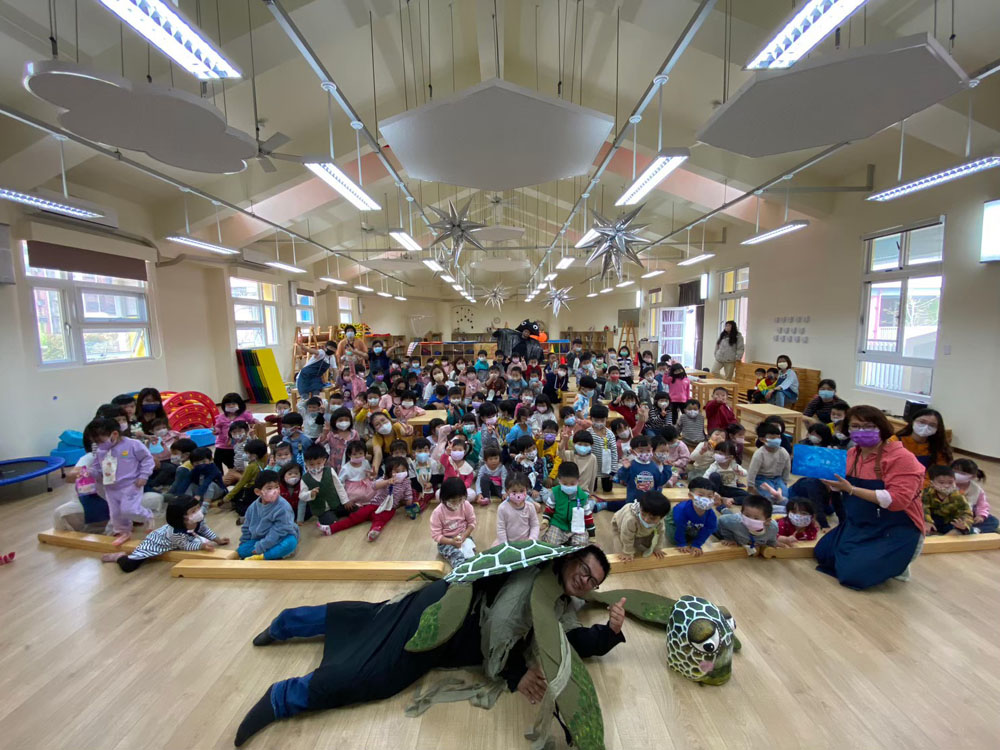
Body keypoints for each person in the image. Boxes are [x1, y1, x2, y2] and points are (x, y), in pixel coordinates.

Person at [235, 545, 624, 747]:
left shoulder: (555, 591)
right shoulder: (531, 585)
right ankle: (283, 697)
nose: (585, 581)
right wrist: (515, 674)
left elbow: (566, 638)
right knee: (378, 673)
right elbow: (499, 632)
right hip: (447, 622)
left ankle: (286, 623)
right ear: (572, 559)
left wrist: (608, 632)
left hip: (442, 596)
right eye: (584, 570)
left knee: (371, 618)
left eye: (593, 581)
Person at [814, 405, 926, 589]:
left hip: (894, 526)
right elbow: (841, 485)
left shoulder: (901, 457)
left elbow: (897, 500)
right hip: (860, 522)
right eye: (855, 426)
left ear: (882, 427)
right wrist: (830, 482)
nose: (861, 431)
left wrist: (851, 489)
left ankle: (900, 563)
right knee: (823, 553)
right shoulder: (853, 453)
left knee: (854, 575)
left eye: (869, 426)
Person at [101, 495, 228, 572]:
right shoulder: (175, 532)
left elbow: (204, 530)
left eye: (198, 508)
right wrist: (201, 546)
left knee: (196, 539)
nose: (198, 512)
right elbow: (185, 546)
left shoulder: (197, 520)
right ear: (182, 517)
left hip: (177, 540)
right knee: (129, 566)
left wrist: (217, 539)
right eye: (193, 511)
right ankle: (119, 557)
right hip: (156, 543)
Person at [87, 416, 155, 546]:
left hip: (131, 485)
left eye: (100, 441)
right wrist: (89, 473)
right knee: (116, 514)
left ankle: (147, 515)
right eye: (96, 442)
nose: (99, 444)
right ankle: (123, 532)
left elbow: (147, 459)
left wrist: (143, 475)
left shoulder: (133, 444)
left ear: (114, 434)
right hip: (111, 487)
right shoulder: (101, 450)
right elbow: (97, 468)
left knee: (129, 510)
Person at [237, 470, 299, 560]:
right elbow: (246, 527)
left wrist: (261, 546)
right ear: (258, 492)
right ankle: (271, 555)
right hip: (259, 538)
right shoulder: (253, 507)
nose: (274, 491)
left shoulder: (283, 507)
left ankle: (264, 556)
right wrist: (244, 542)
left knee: (290, 543)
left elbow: (279, 531)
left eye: (277, 487)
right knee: (241, 551)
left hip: (281, 537)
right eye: (269, 488)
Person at [606, 435, 670, 513]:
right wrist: (625, 469)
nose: (645, 453)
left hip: (649, 502)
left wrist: (667, 469)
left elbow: (660, 481)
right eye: (641, 451)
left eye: (648, 450)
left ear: (652, 450)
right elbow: (622, 477)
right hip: (633, 501)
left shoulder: (653, 466)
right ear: (633, 451)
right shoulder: (631, 465)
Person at [540, 461, 595, 546]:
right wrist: (545, 520)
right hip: (558, 524)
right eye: (565, 484)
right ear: (559, 480)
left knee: (582, 544)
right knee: (551, 543)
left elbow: (588, 517)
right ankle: (563, 540)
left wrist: (592, 535)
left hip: (577, 526)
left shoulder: (583, 497)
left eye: (572, 483)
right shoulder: (555, 492)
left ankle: (569, 541)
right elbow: (549, 509)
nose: (569, 486)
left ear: (578, 480)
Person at [429, 477, 478, 568]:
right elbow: (436, 535)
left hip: (463, 536)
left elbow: (472, 523)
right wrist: (451, 541)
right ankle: (461, 574)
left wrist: (464, 535)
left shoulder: (466, 505)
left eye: (460, 499)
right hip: (446, 542)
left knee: (472, 557)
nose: (457, 503)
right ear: (444, 498)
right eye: (453, 501)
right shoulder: (438, 512)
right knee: (457, 557)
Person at [612, 489, 672, 561]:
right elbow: (626, 536)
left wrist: (657, 548)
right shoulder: (631, 519)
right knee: (621, 551)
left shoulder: (660, 521)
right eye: (643, 514)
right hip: (620, 527)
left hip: (641, 530)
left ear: (661, 517)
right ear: (640, 508)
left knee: (650, 543)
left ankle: (638, 538)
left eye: (652, 518)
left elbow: (660, 534)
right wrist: (627, 552)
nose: (646, 519)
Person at [223, 440, 269, 521]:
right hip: (259, 489)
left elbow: (241, 483)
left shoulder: (251, 467)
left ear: (254, 455)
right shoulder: (261, 463)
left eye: (247, 453)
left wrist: (228, 496)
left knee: (239, 506)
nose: (245, 455)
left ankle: (247, 515)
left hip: (250, 490)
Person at [672, 477, 719, 556]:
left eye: (709, 496)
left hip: (692, 523)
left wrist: (697, 544)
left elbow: (708, 529)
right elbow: (679, 528)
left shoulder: (711, 514)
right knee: (673, 538)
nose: (705, 499)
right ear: (691, 495)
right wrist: (681, 543)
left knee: (696, 535)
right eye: (701, 495)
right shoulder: (681, 510)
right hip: (676, 519)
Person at [951, 458, 999, 534]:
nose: (957, 475)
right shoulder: (947, 484)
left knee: (993, 521)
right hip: (951, 513)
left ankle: (975, 530)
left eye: (962, 473)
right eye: (955, 472)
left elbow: (982, 504)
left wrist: (981, 515)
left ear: (973, 476)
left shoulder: (976, 489)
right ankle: (964, 529)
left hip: (970, 514)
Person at [921, 466, 974, 535]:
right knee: (918, 527)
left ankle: (944, 538)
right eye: (941, 483)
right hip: (933, 522)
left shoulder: (959, 496)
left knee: (967, 529)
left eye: (950, 482)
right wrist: (927, 521)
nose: (946, 486)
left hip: (950, 523)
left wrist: (964, 524)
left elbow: (966, 512)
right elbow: (924, 508)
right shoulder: (926, 493)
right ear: (932, 483)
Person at [214, 393, 258, 471]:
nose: (231, 406)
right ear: (224, 406)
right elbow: (218, 427)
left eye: (233, 404)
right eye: (228, 404)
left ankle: (234, 471)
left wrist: (256, 421)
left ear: (239, 404)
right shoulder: (221, 417)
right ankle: (219, 475)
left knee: (234, 462)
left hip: (238, 444)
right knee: (217, 459)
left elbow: (251, 420)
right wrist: (216, 430)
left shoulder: (244, 414)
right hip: (222, 444)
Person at [747, 422, 791, 500]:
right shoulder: (759, 454)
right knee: (768, 496)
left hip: (777, 478)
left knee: (785, 496)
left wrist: (784, 483)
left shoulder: (783, 452)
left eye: (778, 437)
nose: (777, 440)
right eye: (773, 438)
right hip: (762, 478)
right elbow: (752, 471)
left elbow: (787, 469)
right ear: (762, 439)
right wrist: (750, 486)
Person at [493, 473, 540, 545]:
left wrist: (531, 539)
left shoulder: (530, 507)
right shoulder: (502, 508)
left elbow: (535, 525)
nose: (518, 494)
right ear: (507, 491)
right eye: (514, 491)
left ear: (526, 490)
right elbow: (501, 529)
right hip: (508, 542)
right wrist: (505, 545)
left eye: (522, 491)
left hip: (527, 542)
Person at [560, 429, 597, 494]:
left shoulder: (593, 458)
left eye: (586, 445)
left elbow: (593, 477)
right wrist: (564, 441)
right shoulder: (569, 454)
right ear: (574, 444)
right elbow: (560, 452)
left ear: (591, 445)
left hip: (583, 491)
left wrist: (591, 492)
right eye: (579, 444)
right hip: (568, 489)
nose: (582, 447)